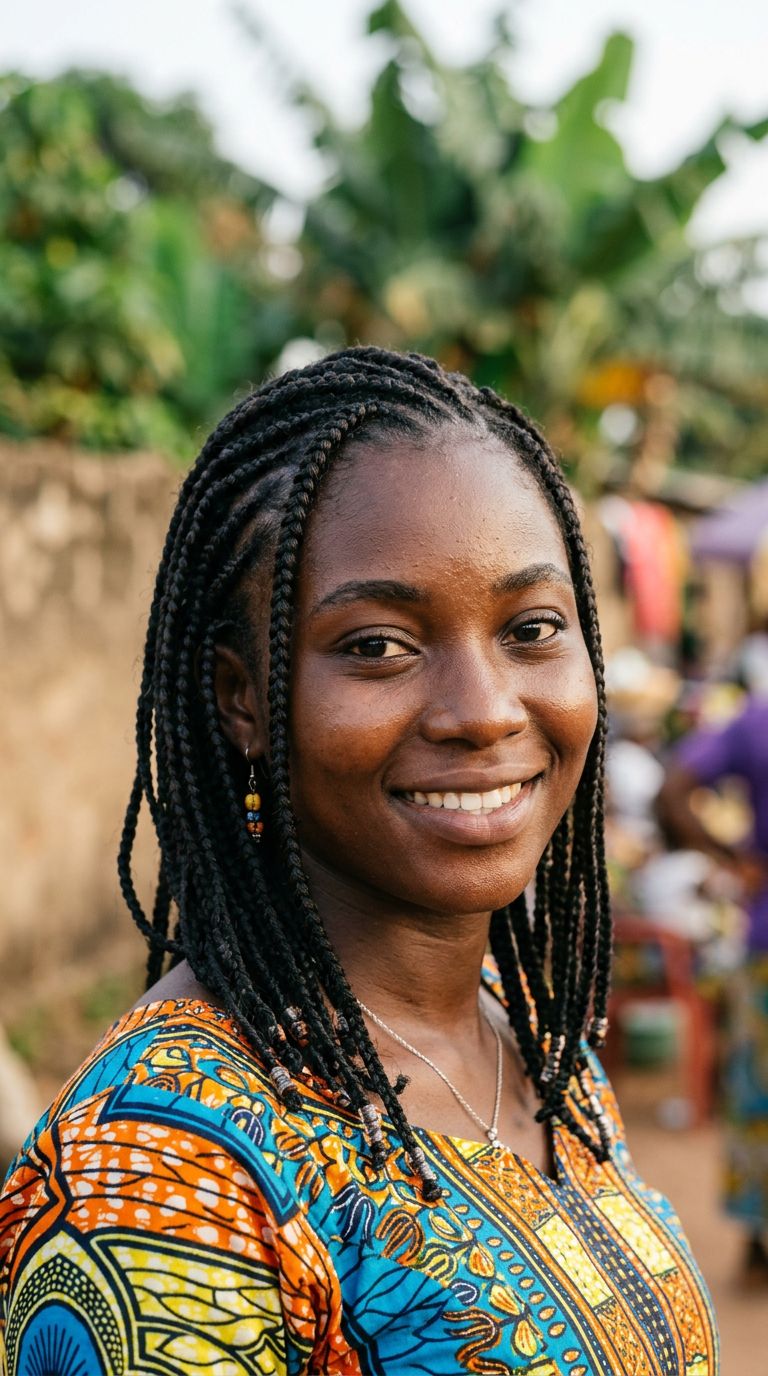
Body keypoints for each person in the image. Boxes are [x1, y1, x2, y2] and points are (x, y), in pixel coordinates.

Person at [0, 348, 718, 1374]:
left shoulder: (535, 1049)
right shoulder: (160, 1167)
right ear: (243, 696)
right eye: (379, 644)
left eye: (530, 628)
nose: (483, 710)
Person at [658, 691, 768, 1284]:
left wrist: (734, 858)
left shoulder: (755, 722)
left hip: (766, 943)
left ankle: (758, 1240)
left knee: (760, 1094)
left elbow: (672, 792)